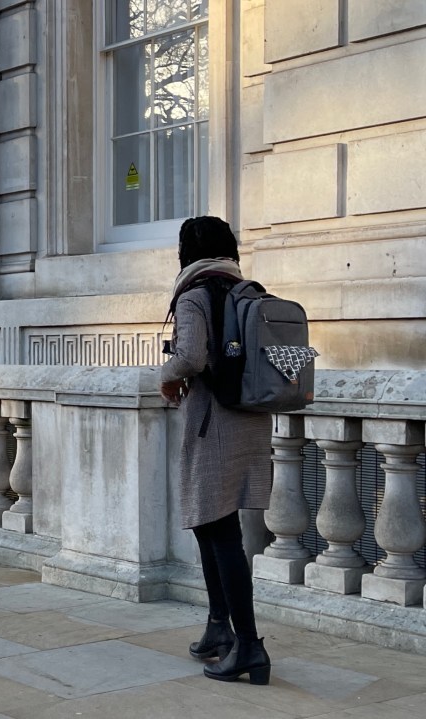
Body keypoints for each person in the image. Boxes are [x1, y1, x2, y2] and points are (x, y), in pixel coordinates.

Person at [160, 216, 273, 685]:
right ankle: (217, 629)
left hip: (214, 425)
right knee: (213, 527)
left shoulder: (194, 294)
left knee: (220, 532)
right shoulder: (246, 290)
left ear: (188, 251)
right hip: (249, 420)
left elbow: (190, 356)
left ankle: (247, 645)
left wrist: (163, 376)